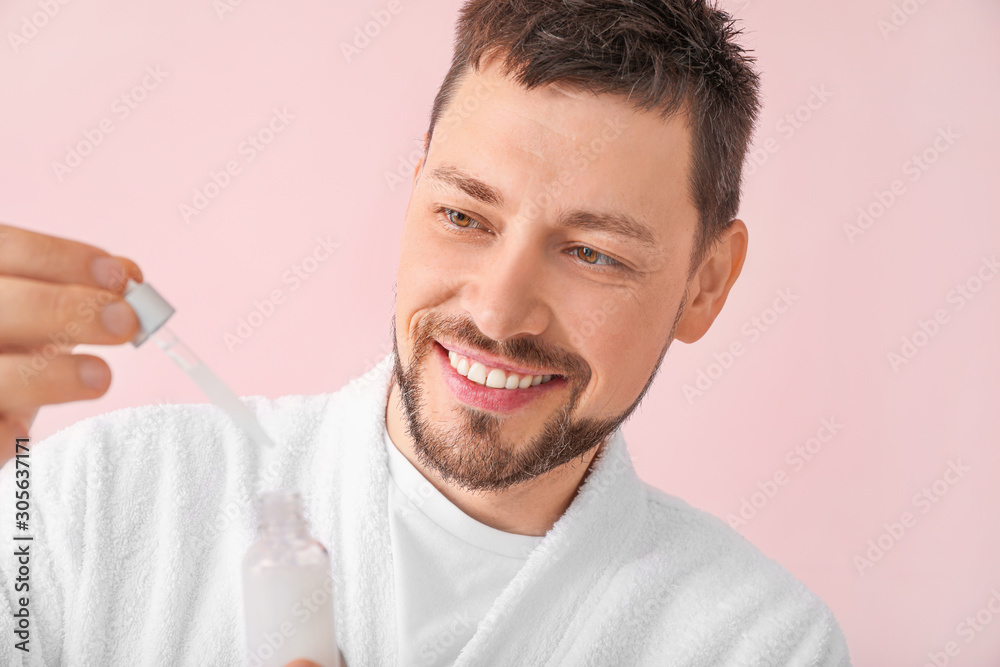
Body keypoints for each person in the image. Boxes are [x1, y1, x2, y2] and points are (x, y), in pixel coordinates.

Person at [0, 0, 852, 665]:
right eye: (462, 214)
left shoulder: (756, 640)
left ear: (706, 283)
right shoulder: (92, 506)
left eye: (592, 252)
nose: (495, 312)